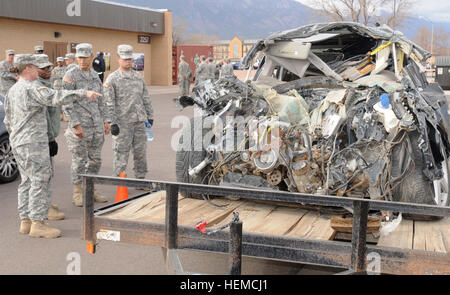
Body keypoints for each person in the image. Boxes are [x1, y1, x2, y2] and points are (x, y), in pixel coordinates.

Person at [3, 54, 101, 238]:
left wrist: (17, 136)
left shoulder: (13, 90)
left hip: (19, 142)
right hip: (33, 143)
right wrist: (83, 92)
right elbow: (55, 97)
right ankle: (38, 223)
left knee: (27, 181)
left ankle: (26, 221)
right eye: (35, 67)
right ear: (27, 69)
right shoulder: (31, 87)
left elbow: (8, 120)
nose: (38, 71)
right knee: (40, 180)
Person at [62, 43, 111, 207]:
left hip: (96, 125)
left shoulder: (94, 75)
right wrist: (75, 124)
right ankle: (77, 191)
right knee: (79, 160)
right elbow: (66, 102)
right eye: (79, 57)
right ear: (76, 57)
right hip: (80, 127)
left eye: (85, 57)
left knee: (95, 160)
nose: (82, 60)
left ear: (91, 57)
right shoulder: (71, 75)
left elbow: (101, 100)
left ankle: (91, 189)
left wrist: (106, 120)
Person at [104, 45, 154, 189]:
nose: (127, 61)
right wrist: (112, 122)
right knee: (121, 154)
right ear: (118, 59)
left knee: (140, 153)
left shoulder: (138, 77)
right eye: (124, 59)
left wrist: (150, 116)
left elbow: (146, 98)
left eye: (129, 59)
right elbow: (108, 102)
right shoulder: (112, 79)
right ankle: (120, 183)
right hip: (122, 123)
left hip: (139, 122)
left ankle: (140, 181)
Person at [33, 54, 65, 221]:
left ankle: (46, 203)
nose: (47, 70)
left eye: (48, 67)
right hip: (41, 139)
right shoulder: (37, 87)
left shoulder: (47, 83)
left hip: (48, 137)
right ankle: (43, 209)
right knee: (42, 176)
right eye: (43, 68)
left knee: (48, 174)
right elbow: (42, 118)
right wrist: (49, 139)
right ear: (34, 69)